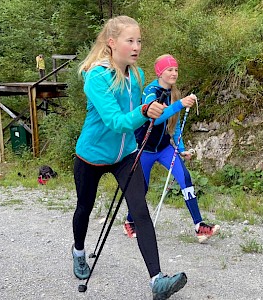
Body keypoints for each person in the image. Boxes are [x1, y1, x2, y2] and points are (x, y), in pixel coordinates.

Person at [71, 16, 187, 300]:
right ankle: (78, 251)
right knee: (84, 207)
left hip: (125, 155)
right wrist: (145, 112)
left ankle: (157, 281)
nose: (136, 46)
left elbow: (139, 114)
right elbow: (116, 121)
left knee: (140, 210)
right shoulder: (97, 77)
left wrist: (154, 113)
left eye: (139, 41)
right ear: (112, 44)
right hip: (92, 156)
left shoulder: (136, 75)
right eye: (130, 40)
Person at [123, 54, 220, 243]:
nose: (174, 73)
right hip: (145, 149)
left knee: (185, 178)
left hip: (165, 148)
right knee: (141, 188)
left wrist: (181, 148)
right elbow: (155, 118)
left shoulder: (173, 93)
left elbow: (173, 125)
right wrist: (179, 104)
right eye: (169, 70)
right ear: (160, 72)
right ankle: (129, 221)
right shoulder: (151, 91)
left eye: (176, 69)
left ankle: (199, 226)